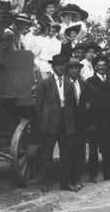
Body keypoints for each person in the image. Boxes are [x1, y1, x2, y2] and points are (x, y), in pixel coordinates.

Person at [35, 55, 89, 192]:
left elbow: (70, 105)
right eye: (57, 65)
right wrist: (42, 123)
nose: (60, 67)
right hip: (50, 123)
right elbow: (38, 106)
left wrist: (71, 123)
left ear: (65, 67)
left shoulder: (69, 84)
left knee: (67, 155)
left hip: (66, 123)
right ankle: (45, 184)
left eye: (62, 64)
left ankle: (65, 183)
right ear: (53, 67)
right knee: (46, 156)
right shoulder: (44, 83)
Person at [86, 55, 110, 183]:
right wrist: (90, 123)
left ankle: (108, 174)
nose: (101, 67)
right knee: (93, 150)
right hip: (95, 121)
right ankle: (93, 175)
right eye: (99, 65)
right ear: (95, 67)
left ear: (107, 67)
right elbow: (88, 103)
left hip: (109, 120)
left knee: (108, 149)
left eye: (103, 65)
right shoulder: (89, 81)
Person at [66, 57, 99, 191]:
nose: (74, 70)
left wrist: (88, 103)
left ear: (79, 70)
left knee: (80, 153)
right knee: (69, 152)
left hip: (81, 123)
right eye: (71, 68)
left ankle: (77, 179)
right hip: (67, 123)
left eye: (76, 68)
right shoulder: (64, 84)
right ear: (67, 70)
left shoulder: (83, 84)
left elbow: (96, 93)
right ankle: (69, 180)